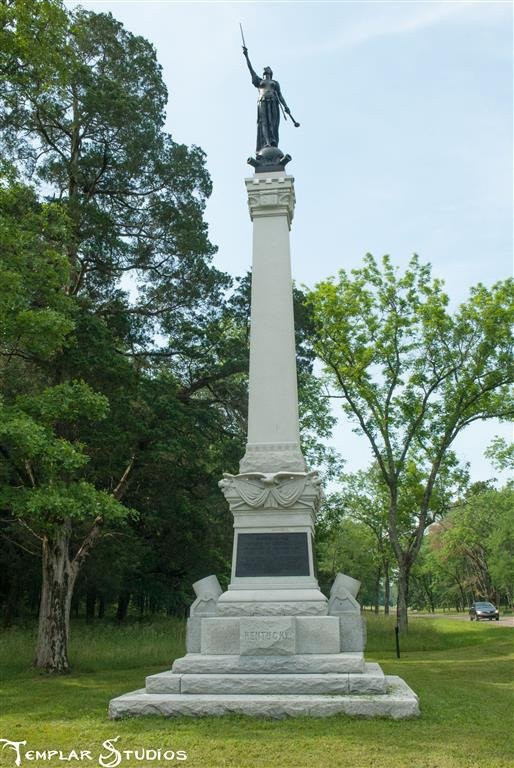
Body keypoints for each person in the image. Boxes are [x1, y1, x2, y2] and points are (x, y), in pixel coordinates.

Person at [243, 47, 291, 153]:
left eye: (268, 68)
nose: (265, 69)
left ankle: (273, 141)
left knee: (273, 122)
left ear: (270, 72)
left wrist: (286, 106)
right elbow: (251, 70)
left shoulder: (275, 82)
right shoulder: (259, 81)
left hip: (273, 102)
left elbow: (280, 95)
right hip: (263, 101)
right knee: (263, 122)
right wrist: (246, 56)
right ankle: (267, 142)